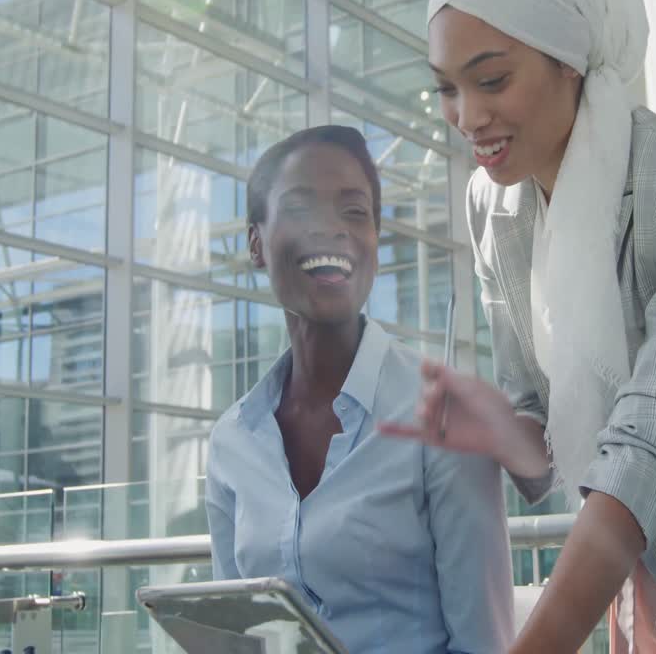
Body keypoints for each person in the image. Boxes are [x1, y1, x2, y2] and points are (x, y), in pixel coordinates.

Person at [378, 0, 656, 651]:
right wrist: (497, 427)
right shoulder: (492, 206)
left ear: (567, 61)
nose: (466, 116)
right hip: (625, 579)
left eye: (491, 81)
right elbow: (540, 423)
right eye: (445, 87)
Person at [204, 125, 514, 654]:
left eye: (354, 212)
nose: (332, 230)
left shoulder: (445, 416)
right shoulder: (232, 442)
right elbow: (233, 637)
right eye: (301, 208)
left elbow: (485, 645)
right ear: (256, 243)